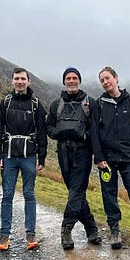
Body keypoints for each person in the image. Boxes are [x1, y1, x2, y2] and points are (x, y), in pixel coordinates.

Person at [90, 66, 130, 249]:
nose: (105, 82)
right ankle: (114, 229)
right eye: (102, 80)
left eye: (107, 78)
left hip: (128, 158)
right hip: (106, 161)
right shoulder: (99, 104)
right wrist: (99, 158)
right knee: (109, 195)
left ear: (116, 78)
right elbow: (94, 132)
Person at [46, 67, 102, 250]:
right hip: (63, 152)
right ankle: (91, 228)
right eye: (68, 78)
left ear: (79, 81)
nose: (71, 81)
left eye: (74, 78)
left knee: (76, 190)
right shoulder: (57, 104)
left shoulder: (90, 103)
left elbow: (97, 129)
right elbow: (49, 127)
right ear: (64, 81)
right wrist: (59, 134)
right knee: (75, 191)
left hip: (83, 153)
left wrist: (84, 137)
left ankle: (66, 230)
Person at [0, 67, 47, 250]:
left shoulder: (36, 104)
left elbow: (42, 131)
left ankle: (30, 235)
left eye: (23, 78)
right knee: (7, 195)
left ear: (28, 81)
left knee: (29, 194)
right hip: (8, 156)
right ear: (12, 81)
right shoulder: (5, 102)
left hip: (29, 156)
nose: (20, 82)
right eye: (17, 78)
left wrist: (42, 157)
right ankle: (4, 235)